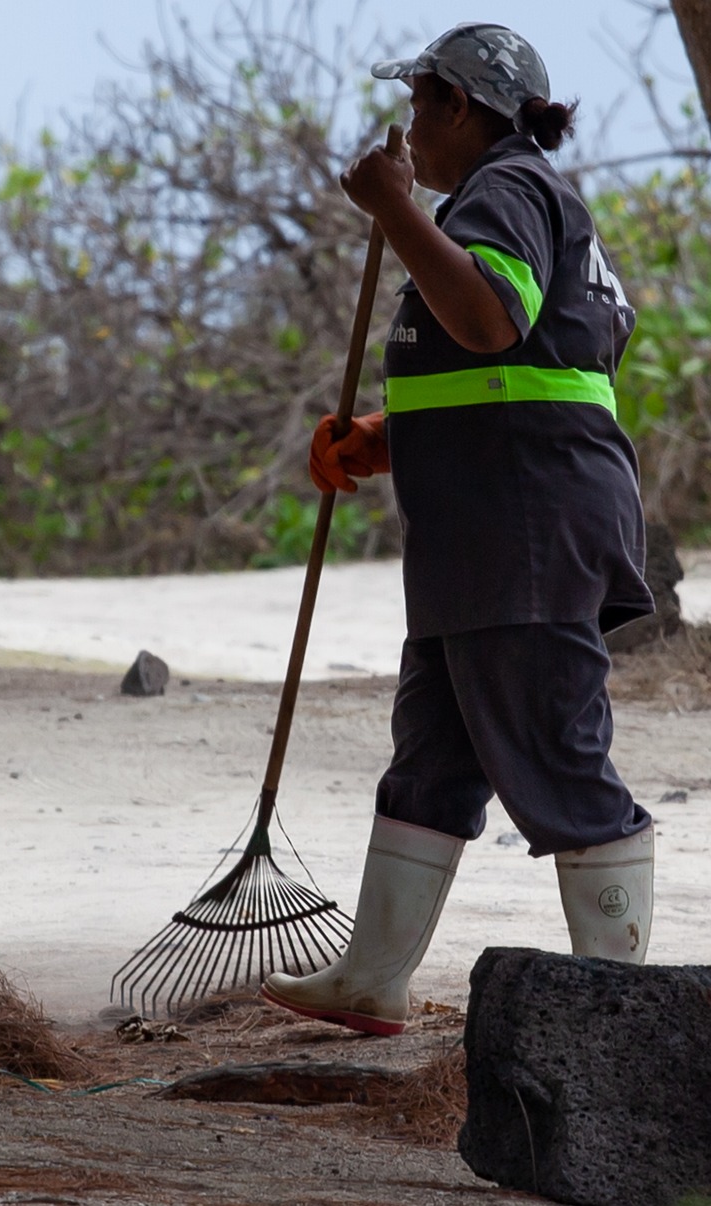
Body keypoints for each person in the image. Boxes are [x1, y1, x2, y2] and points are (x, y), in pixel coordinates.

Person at [260, 23, 656, 1037]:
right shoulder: (502, 201)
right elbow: (509, 375)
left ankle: (618, 1011)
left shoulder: (506, 189)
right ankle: (370, 979)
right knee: (432, 756)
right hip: (488, 525)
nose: (405, 130)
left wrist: (391, 207)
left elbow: (489, 321)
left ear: (456, 105)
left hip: (523, 523)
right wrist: (379, 438)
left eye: (416, 105)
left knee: (553, 751)